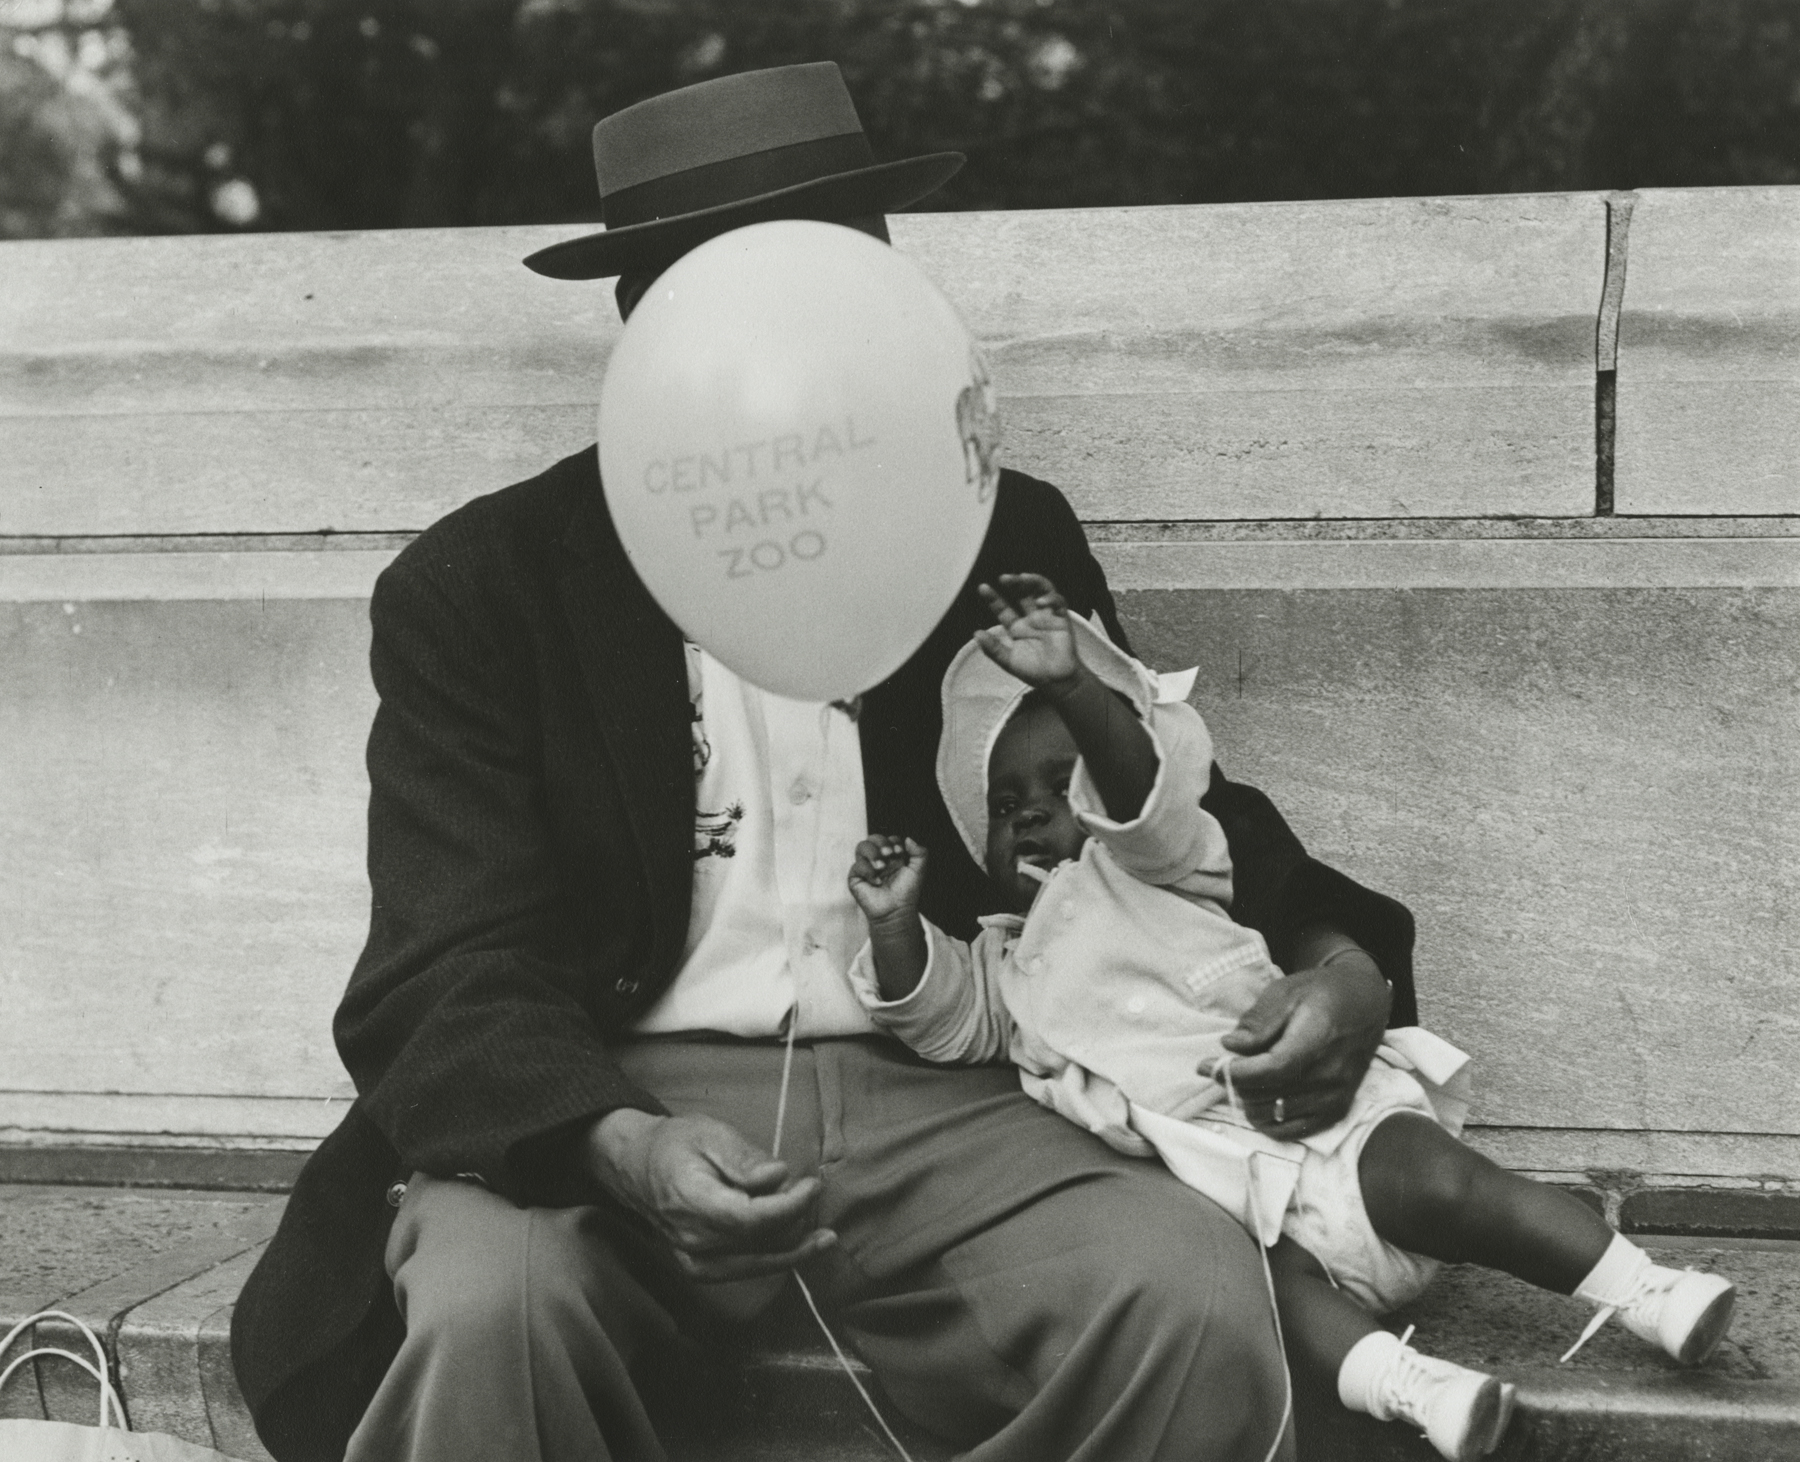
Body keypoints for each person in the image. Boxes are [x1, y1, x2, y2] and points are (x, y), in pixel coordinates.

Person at [230, 62, 1422, 1462]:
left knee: (1196, 1303)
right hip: (607, 1094)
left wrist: (1341, 965)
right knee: (497, 1313)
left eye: (846, 269)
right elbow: (444, 969)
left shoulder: (994, 526)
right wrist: (623, 1142)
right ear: (650, 324)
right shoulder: (488, 586)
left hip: (959, 1089)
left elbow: (1148, 800)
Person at [847, 573, 1739, 1462]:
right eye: (1006, 807)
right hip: (1244, 1207)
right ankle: (1417, 1389)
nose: (1032, 812)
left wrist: (1077, 688)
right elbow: (941, 1019)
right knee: (1275, 1300)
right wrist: (894, 927)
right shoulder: (1008, 964)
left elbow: (1142, 806)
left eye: (1059, 784)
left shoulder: (1160, 866)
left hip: (1338, 1135)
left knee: (1460, 1189)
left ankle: (1644, 1291)